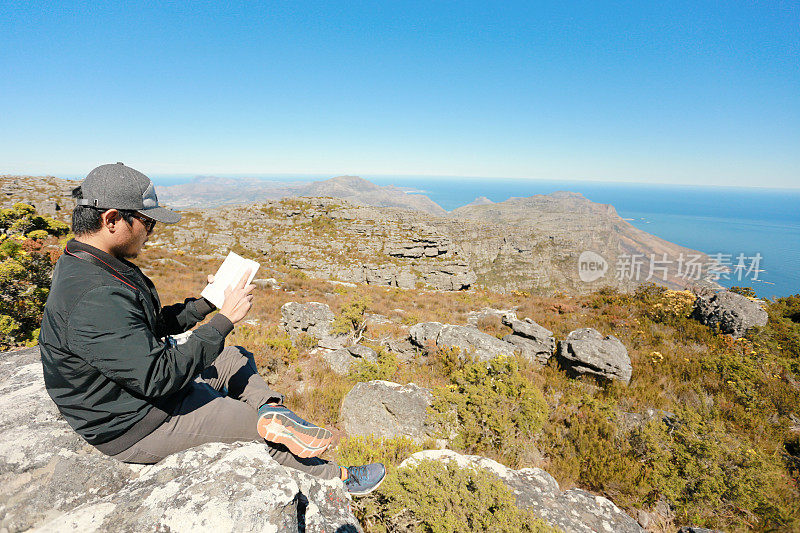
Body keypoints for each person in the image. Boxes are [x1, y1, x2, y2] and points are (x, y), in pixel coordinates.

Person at [38, 162, 385, 496]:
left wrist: (206, 303)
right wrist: (224, 321)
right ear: (112, 219)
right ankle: (337, 479)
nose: (151, 231)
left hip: (141, 393)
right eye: (147, 222)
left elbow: (146, 327)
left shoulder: (99, 265)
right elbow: (157, 377)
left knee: (234, 358)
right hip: (134, 422)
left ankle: (272, 411)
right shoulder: (93, 295)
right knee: (246, 424)